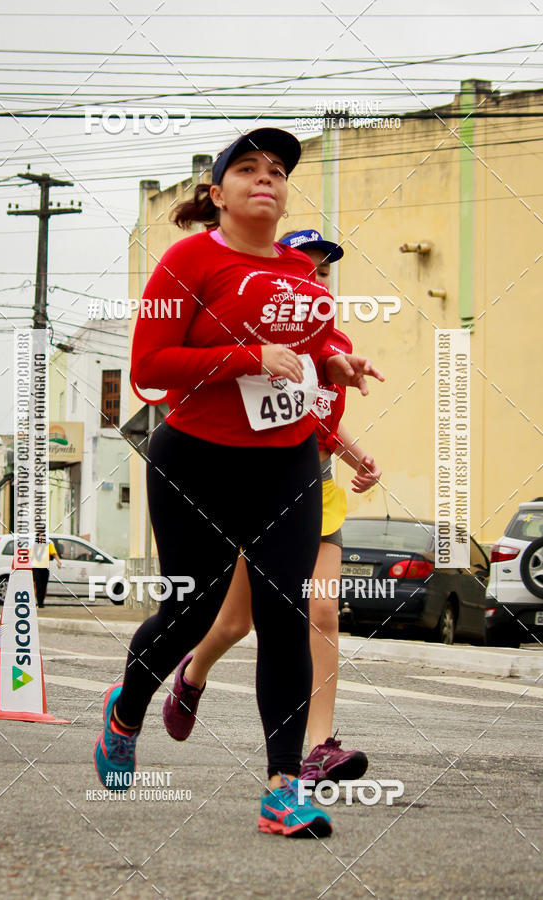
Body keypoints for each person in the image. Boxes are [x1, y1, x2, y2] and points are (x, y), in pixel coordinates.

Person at [94, 127, 384, 838]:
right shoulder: (189, 258)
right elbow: (149, 367)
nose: (266, 177)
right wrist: (246, 356)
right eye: (247, 168)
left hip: (285, 460)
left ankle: (282, 788)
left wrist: (337, 365)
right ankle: (126, 711)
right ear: (217, 193)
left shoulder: (296, 269)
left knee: (286, 614)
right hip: (196, 458)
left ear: (285, 195)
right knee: (191, 612)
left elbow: (314, 342)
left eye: (278, 170)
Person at [162, 229, 381, 786]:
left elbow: (323, 421)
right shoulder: (254, 337)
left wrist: (360, 457)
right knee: (237, 621)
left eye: (324, 273)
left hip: (317, 483)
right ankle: (193, 673)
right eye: (304, 270)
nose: (315, 280)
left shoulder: (334, 345)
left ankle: (319, 748)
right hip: (261, 482)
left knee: (324, 611)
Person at [31, 534, 62, 608]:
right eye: (40, 537)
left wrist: (58, 562)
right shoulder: (34, 545)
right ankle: (38, 603)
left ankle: (41, 602)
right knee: (38, 585)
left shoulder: (48, 545)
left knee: (44, 586)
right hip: (36, 568)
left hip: (45, 568)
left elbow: (54, 554)